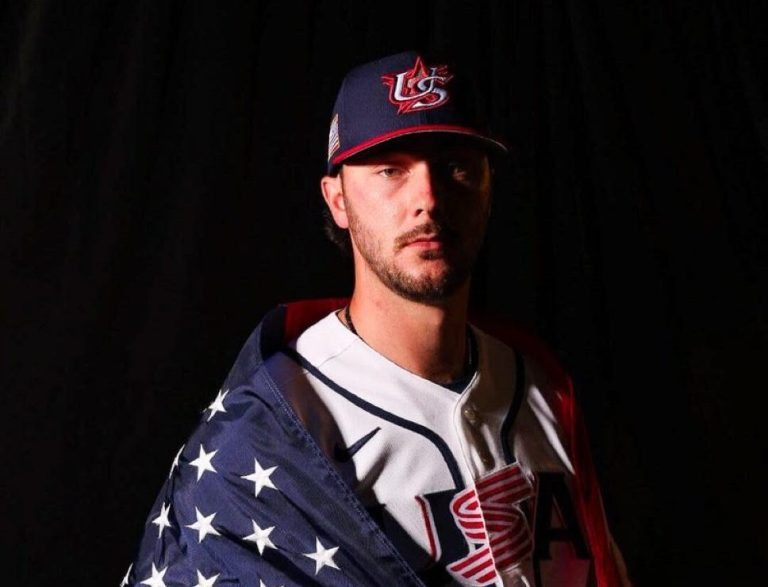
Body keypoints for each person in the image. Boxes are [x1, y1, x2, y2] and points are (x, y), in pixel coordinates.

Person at [126, 51, 630, 587]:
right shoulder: (276, 424)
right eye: (391, 170)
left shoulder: (543, 389)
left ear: (489, 187)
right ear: (338, 200)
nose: (428, 199)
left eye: (456, 166)